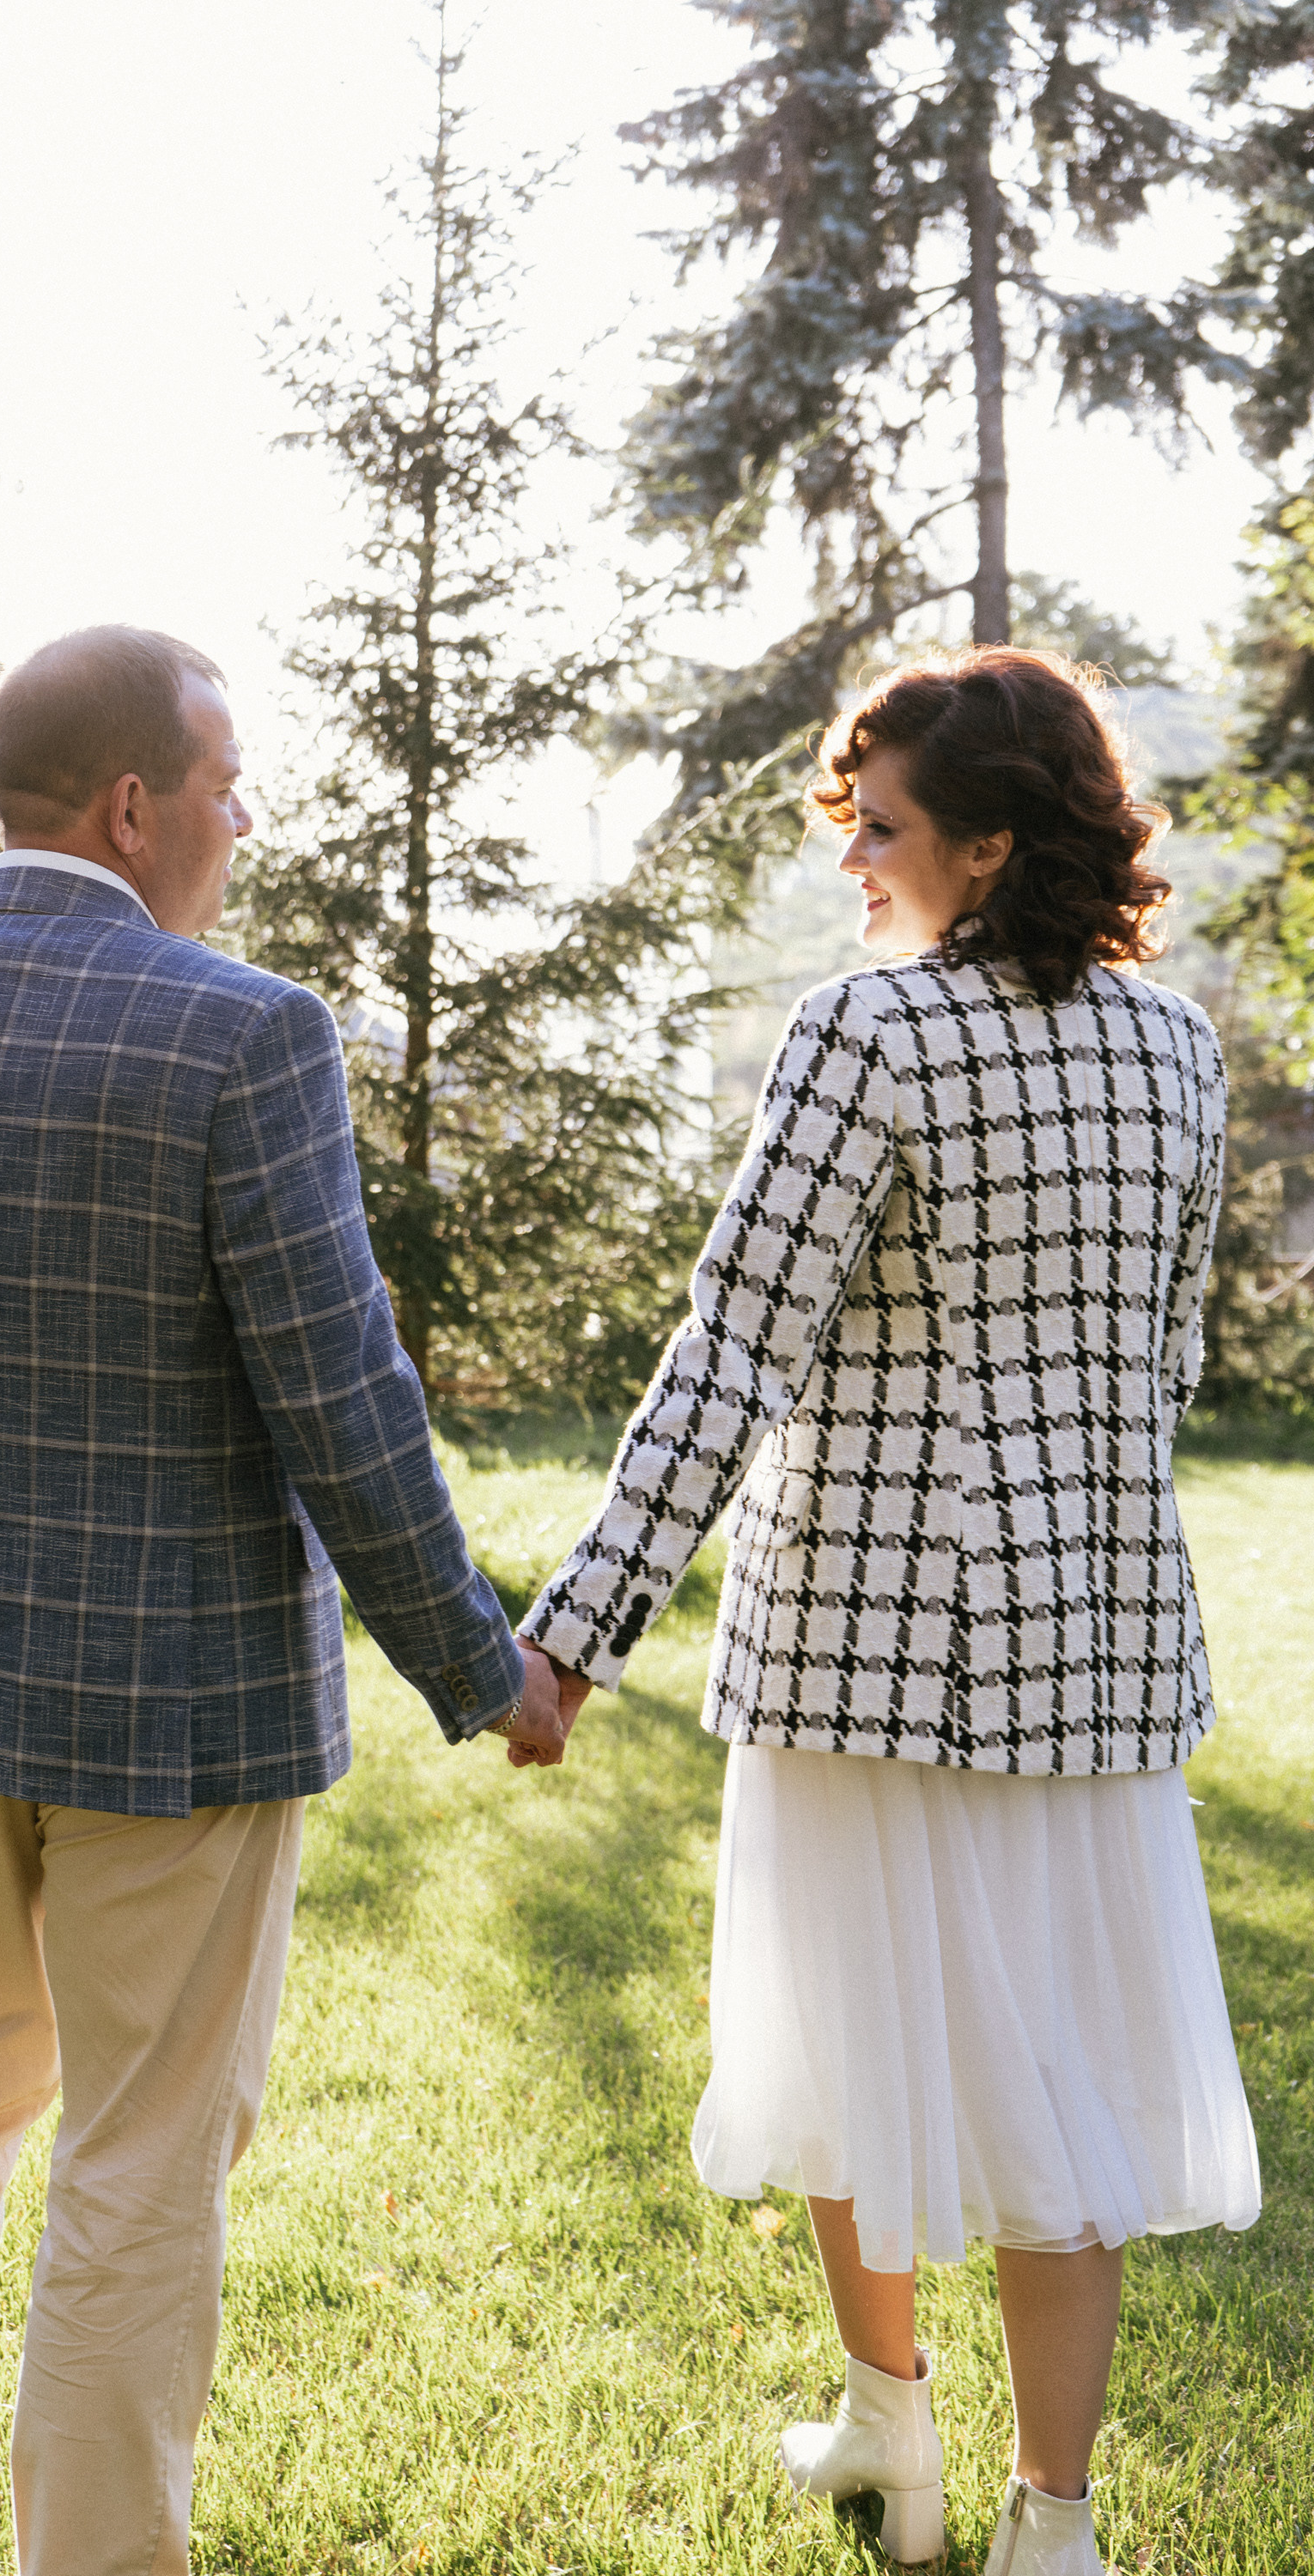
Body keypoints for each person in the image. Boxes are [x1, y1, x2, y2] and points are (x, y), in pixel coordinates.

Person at [0, 625, 565, 2576]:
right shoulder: (241, 1032)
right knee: (137, 2162)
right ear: (134, 804)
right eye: (227, 781)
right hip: (172, 1710)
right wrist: (481, 1665)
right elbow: (338, 1395)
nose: (242, 816)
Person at [518, 649, 1260, 2574]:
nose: (855, 853)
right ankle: (1049, 2524)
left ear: (991, 845)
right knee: (1061, 2087)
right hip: (1094, 1653)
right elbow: (1163, 1357)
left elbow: (729, 1353)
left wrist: (575, 1631)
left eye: (886, 824)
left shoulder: (870, 1031)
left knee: (857, 2048)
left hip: (864, 1639)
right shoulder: (1176, 1050)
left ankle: (893, 2432)